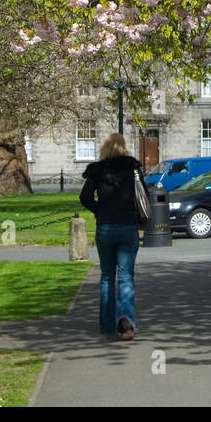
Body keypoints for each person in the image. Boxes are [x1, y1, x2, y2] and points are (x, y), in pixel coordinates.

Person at [78, 134, 145, 341]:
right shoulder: (132, 169)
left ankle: (107, 325)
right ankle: (125, 321)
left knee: (107, 276)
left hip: (105, 227)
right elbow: (145, 195)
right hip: (127, 225)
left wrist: (99, 210)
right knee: (126, 276)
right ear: (124, 148)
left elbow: (85, 197)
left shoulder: (97, 171)